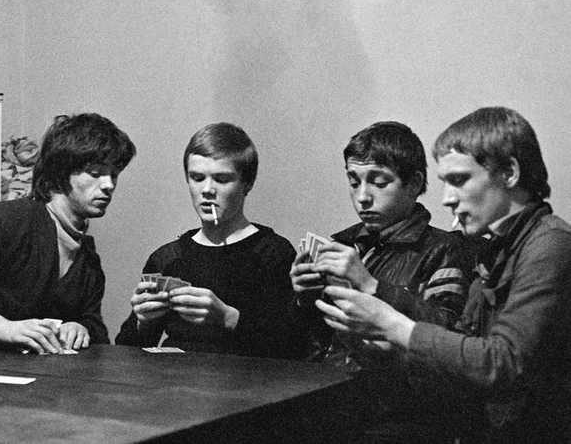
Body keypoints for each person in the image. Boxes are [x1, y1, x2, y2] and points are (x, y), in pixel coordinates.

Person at [317, 107, 571, 444]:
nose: (448, 199)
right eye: (445, 184)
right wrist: (386, 352)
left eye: (459, 180)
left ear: (509, 173)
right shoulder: (498, 250)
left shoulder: (550, 243)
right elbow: (464, 358)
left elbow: (502, 362)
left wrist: (393, 324)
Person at [291, 120, 470, 444]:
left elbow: (446, 336)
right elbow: (316, 341)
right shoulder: (343, 244)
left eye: (379, 182)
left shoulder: (442, 249)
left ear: (414, 183)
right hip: (331, 409)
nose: (362, 196)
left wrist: (372, 285)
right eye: (353, 181)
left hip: (401, 420)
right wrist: (305, 299)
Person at [0, 112, 135, 355]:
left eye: (114, 174)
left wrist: (81, 328)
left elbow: (95, 327)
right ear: (62, 172)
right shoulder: (9, 220)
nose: (109, 185)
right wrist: (1, 326)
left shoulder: (88, 259)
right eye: (95, 173)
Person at [115, 122, 306, 358]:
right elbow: (126, 352)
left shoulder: (273, 253)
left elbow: (294, 347)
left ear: (247, 183)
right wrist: (143, 321)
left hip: (248, 379)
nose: (207, 190)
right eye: (197, 177)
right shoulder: (168, 258)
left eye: (222, 179)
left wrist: (227, 317)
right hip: (173, 376)